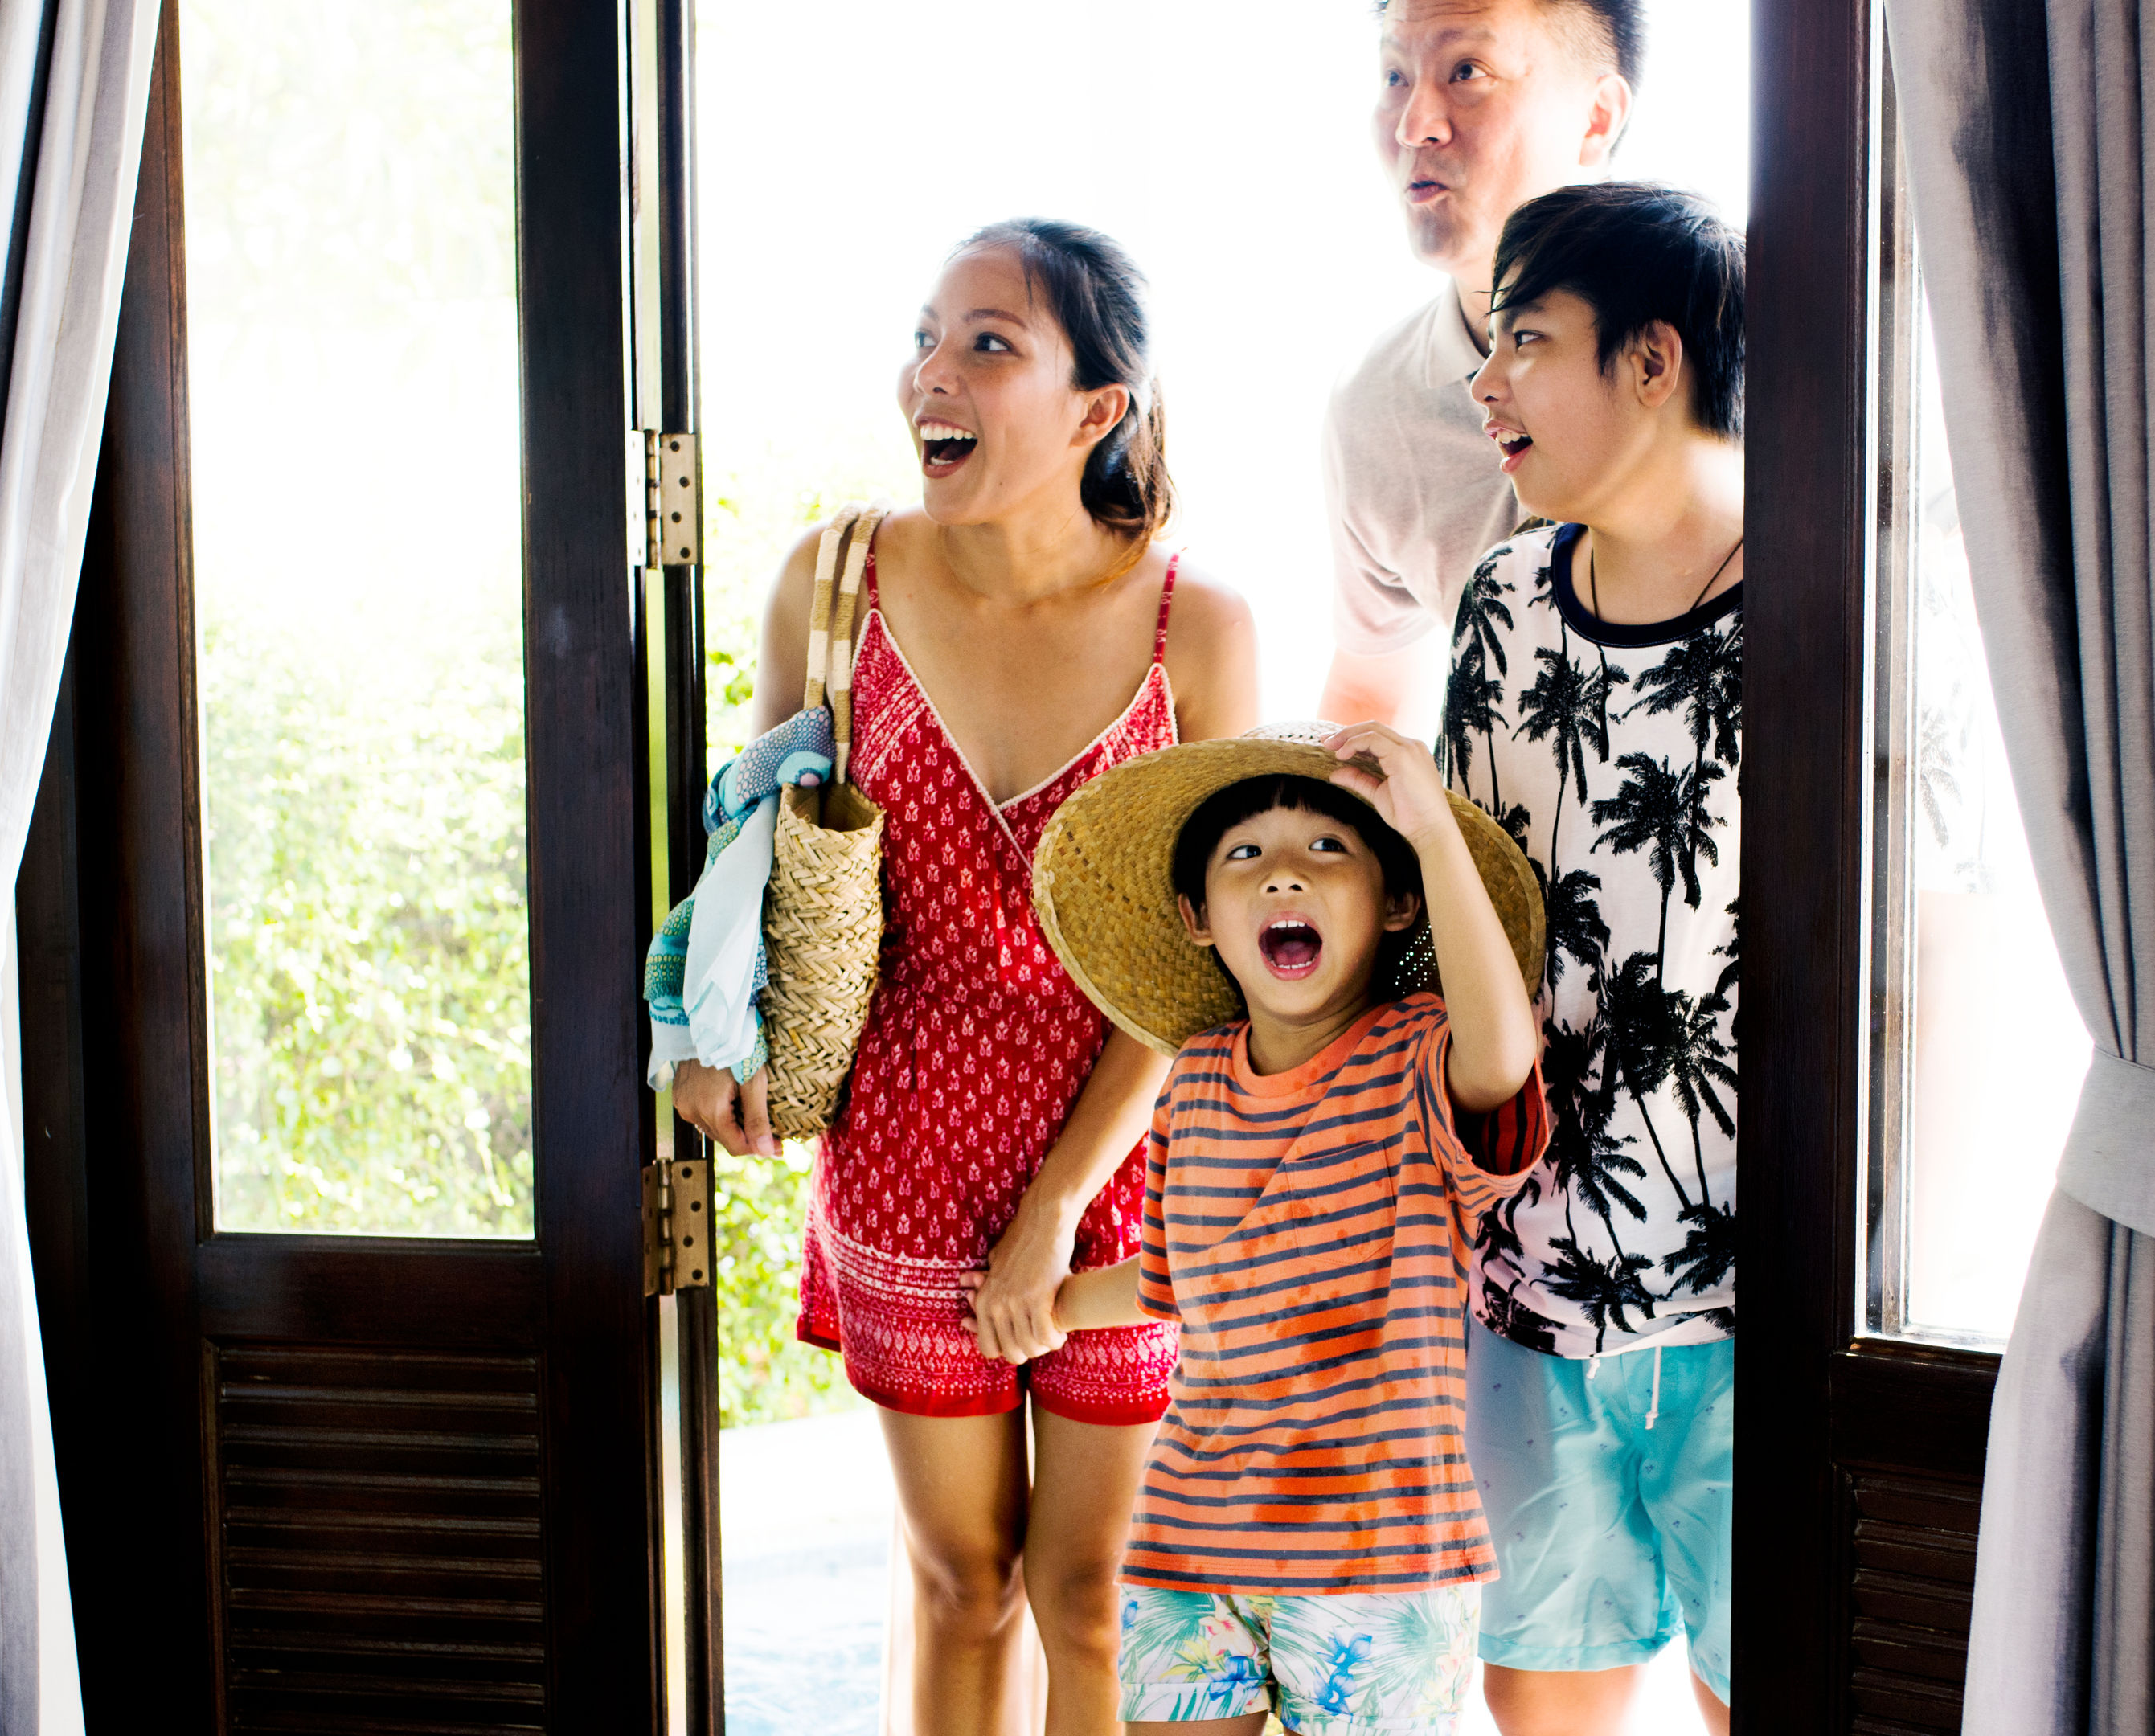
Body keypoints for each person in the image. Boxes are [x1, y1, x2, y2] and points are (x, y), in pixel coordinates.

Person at [672, 219, 1260, 1734]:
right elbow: (750, 852)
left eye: (989, 342)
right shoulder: (836, 577)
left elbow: (1211, 973)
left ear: (1096, 407)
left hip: (1129, 1166)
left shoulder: (1199, 625)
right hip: (904, 1156)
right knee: (962, 1582)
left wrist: (1060, 1206)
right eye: (927, 337)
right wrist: (707, 1040)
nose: (932, 372)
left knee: (1094, 1599)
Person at [1010, 721, 1549, 1736]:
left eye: (1327, 851)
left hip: (1375, 1558)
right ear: (1198, 916)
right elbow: (1181, 1278)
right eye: (1244, 856)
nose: (1282, 878)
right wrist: (1046, 1304)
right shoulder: (1196, 1078)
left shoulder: (1420, 1056)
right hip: (1188, 1542)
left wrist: (1432, 833)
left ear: (1397, 905)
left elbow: (1505, 1058)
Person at [1441, 182, 1744, 1734]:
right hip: (1528, 1287)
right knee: (1538, 1701)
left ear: (1653, 362)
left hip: (1760, 1289)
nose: (1486, 382)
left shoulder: (1829, 602)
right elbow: (1461, 929)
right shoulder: (1501, 604)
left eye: (1527, 340)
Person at [1320, 0, 1640, 732]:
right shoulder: (1377, 407)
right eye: (1395, 77)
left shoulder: (1757, 344)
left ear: (1595, 118)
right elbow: (1371, 698)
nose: (1414, 126)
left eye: (1466, 71)